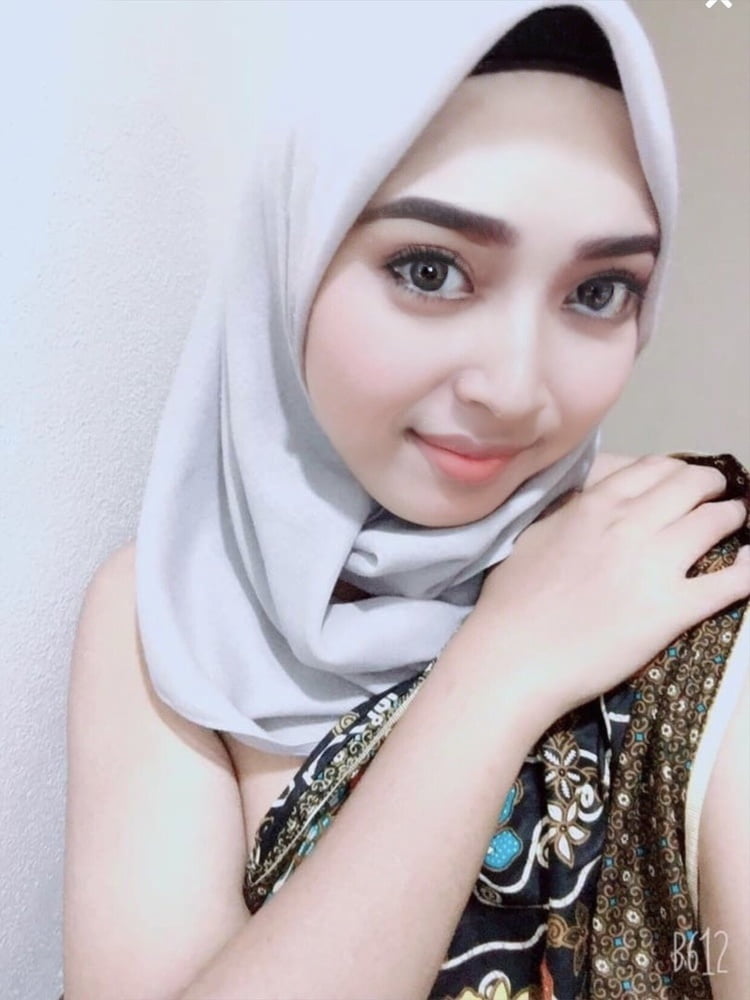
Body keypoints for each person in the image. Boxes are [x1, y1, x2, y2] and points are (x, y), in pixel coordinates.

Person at [63, 2, 750, 998]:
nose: (514, 388)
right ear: (296, 251)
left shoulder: (689, 569)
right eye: (431, 270)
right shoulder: (167, 610)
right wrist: (497, 674)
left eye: (599, 291)